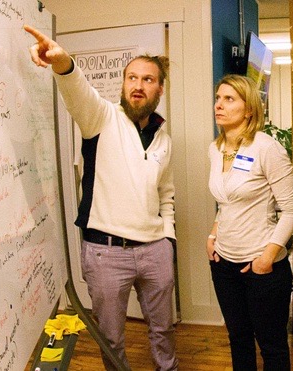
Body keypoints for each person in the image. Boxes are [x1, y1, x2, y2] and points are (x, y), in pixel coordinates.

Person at [24, 25, 178, 370]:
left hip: (155, 251)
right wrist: (63, 63)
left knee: (163, 329)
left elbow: (166, 194)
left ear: (160, 89)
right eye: (132, 78)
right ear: (123, 84)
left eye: (148, 79)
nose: (138, 85)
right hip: (106, 253)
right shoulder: (102, 118)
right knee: (110, 337)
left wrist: (168, 239)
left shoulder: (164, 140)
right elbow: (78, 90)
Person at [206, 74, 293, 371]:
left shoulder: (266, 148)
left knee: (271, 345)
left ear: (249, 109)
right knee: (238, 338)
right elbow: (227, 201)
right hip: (224, 262)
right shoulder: (216, 148)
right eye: (218, 98)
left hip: (262, 266)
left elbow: (292, 208)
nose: (219, 105)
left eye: (229, 99)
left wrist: (266, 258)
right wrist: (213, 235)